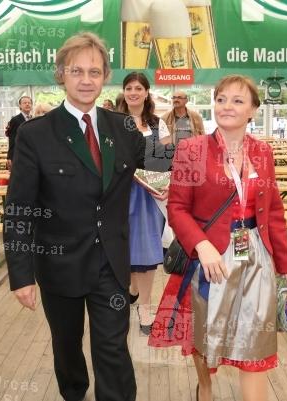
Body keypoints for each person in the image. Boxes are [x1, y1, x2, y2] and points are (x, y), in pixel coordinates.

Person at [3, 32, 171, 401]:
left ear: (105, 76)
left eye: (95, 72)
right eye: (76, 71)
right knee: (67, 347)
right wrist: (21, 275)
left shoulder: (123, 128)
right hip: (58, 264)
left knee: (113, 348)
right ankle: (74, 394)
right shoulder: (36, 134)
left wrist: (223, 141)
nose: (86, 79)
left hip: (110, 264)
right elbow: (18, 209)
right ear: (61, 74)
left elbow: (163, 165)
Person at [149, 75, 287, 401]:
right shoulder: (191, 149)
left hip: (254, 255)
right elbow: (177, 208)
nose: (227, 106)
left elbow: (273, 212)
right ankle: (205, 385)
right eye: (221, 99)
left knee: (256, 338)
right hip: (209, 259)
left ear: (253, 111)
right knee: (205, 335)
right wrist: (201, 246)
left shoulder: (263, 153)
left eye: (238, 100)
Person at [118, 71, 170, 335]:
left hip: (149, 196)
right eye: (129, 87)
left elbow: (168, 159)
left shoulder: (157, 124)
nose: (134, 92)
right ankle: (134, 289)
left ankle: (145, 309)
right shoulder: (113, 121)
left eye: (139, 88)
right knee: (125, 249)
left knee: (146, 251)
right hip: (119, 194)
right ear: (123, 91)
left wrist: (162, 182)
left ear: (146, 92)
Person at [6, 95, 33, 168]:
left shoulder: (33, 118)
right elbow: (12, 139)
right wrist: (10, 156)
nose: (27, 104)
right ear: (20, 106)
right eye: (24, 103)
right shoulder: (15, 120)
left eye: (29, 103)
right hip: (19, 153)